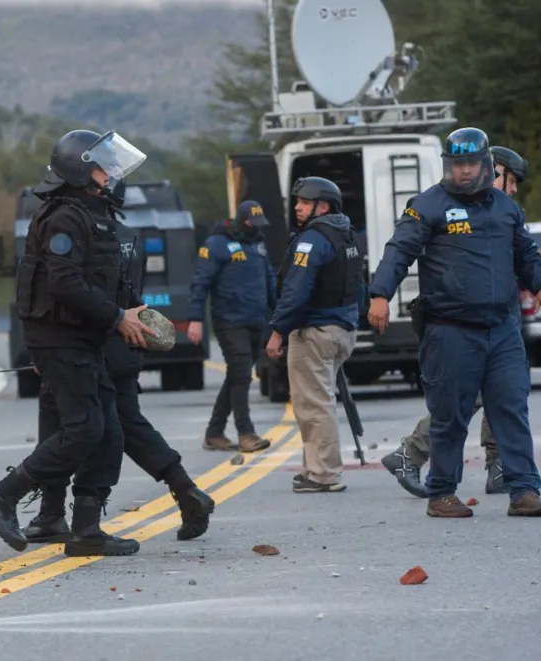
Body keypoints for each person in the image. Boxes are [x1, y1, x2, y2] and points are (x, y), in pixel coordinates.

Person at [0, 129, 158, 556]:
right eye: (101, 165)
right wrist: (116, 319)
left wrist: (134, 312)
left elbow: (105, 279)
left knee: (108, 432)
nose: (110, 173)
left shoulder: (94, 212)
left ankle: (86, 529)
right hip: (58, 338)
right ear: (80, 168)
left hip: (86, 338)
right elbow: (64, 283)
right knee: (84, 428)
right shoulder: (63, 216)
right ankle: (2, 494)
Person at [23, 180, 216, 545]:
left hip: (92, 344)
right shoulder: (123, 232)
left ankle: (53, 513)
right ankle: (185, 490)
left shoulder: (91, 233)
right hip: (123, 345)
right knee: (126, 425)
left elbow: (75, 291)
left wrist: (49, 347)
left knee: (63, 425)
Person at [367, 127, 541, 518]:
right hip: (450, 331)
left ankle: (525, 490)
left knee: (511, 408)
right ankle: (442, 493)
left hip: (502, 330)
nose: (463, 172)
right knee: (450, 415)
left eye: (470, 164)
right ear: (448, 166)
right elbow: (399, 250)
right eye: (456, 164)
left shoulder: (505, 208)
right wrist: (380, 293)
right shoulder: (428, 205)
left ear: (485, 165)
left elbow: (527, 257)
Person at [264, 176, 363, 493]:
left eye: (304, 203)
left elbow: (296, 291)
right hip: (342, 329)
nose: (297, 208)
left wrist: (278, 331)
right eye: (297, 202)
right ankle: (314, 468)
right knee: (319, 401)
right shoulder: (347, 235)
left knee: (314, 404)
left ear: (323, 206)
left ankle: (323, 474)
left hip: (315, 331)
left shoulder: (312, 240)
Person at [186, 200, 276, 453]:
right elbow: (200, 282)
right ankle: (246, 433)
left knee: (237, 375)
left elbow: (269, 279)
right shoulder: (217, 244)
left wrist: (280, 317)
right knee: (242, 375)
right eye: (251, 222)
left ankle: (214, 432)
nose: (255, 227)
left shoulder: (258, 244)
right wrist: (196, 319)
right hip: (229, 320)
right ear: (242, 220)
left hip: (256, 319)